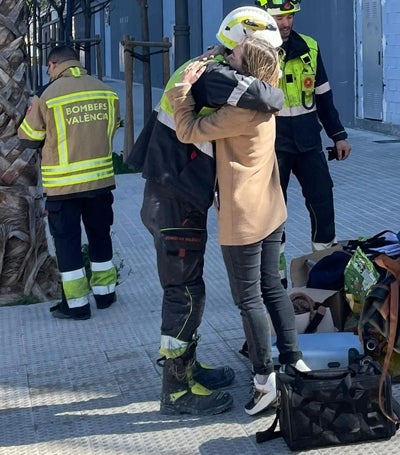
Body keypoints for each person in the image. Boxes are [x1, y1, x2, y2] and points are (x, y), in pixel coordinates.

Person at [127, 7, 285, 415]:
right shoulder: (214, 75)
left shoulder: (207, 65)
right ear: (241, 45)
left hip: (174, 194)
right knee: (183, 294)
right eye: (262, 52)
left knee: (189, 289)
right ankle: (176, 389)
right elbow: (269, 96)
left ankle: (188, 367)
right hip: (173, 199)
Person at [169, 35, 309, 416]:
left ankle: (264, 380)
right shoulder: (270, 94)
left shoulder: (238, 113)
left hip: (244, 217)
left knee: (248, 300)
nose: (230, 56)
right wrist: (221, 58)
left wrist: (182, 93)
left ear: (248, 71)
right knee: (272, 287)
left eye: (237, 55)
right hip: (271, 209)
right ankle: (294, 361)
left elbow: (188, 130)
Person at [18, 45, 121, 321]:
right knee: (100, 236)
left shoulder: (47, 96)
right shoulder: (105, 91)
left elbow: (27, 136)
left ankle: (76, 306)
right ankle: (106, 294)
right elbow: (114, 127)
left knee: (68, 244)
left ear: (53, 64)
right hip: (100, 182)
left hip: (63, 188)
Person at [255, 0, 352, 286]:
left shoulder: (309, 46)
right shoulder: (255, 51)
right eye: (279, 18)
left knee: (323, 203)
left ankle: (325, 271)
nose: (285, 23)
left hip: (308, 142)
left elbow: (323, 96)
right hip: (273, 145)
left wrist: (338, 135)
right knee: (273, 212)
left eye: (289, 16)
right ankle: (275, 277)